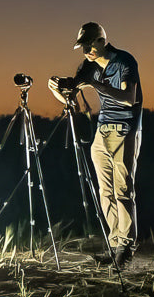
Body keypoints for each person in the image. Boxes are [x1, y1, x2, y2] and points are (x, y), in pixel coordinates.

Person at [49, 22, 142, 268]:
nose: (86, 51)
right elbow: (72, 99)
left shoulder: (124, 61)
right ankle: (114, 245)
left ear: (102, 41)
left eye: (89, 45)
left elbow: (128, 99)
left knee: (123, 190)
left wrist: (95, 85)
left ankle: (126, 247)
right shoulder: (87, 66)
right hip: (102, 131)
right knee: (105, 191)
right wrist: (59, 90)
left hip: (125, 129)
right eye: (82, 47)